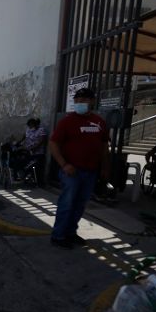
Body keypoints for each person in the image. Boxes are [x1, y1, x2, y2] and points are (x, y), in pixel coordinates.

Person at [48, 87, 109, 249]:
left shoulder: (99, 122)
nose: (79, 103)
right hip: (72, 171)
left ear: (92, 101)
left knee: (80, 205)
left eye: (83, 101)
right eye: (77, 101)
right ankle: (58, 235)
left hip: (91, 172)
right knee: (67, 204)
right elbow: (53, 144)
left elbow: (104, 146)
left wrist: (104, 167)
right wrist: (64, 164)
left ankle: (70, 233)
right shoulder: (67, 122)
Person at [22, 117, 47, 186]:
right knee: (28, 166)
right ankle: (28, 180)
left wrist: (35, 148)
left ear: (35, 124)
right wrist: (19, 143)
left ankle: (38, 182)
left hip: (38, 153)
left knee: (37, 168)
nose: (30, 127)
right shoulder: (28, 130)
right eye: (29, 125)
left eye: (31, 125)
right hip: (29, 151)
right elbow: (24, 137)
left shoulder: (41, 130)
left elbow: (42, 140)